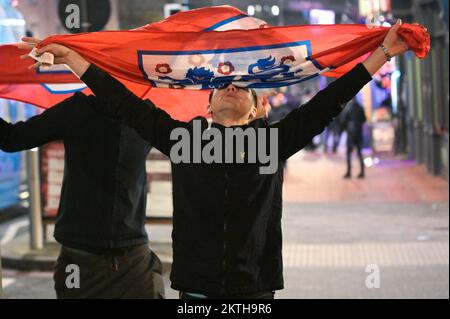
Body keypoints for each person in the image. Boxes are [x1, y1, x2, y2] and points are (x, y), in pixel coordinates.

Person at [20, 19, 409, 299]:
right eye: (222, 85)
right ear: (206, 105)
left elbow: (328, 102)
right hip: (196, 290)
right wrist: (73, 58)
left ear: (258, 111)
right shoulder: (185, 140)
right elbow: (123, 104)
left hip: (254, 290)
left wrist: (383, 53)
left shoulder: (272, 141)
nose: (231, 87)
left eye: (243, 87)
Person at [0, 94, 165, 299]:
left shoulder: (76, 109)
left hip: (80, 259)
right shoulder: (145, 113)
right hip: (131, 259)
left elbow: (11, 138)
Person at [342, 99, 367, 179]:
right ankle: (362, 172)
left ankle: (349, 172)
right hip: (358, 132)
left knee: (349, 153)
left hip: (351, 133)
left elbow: (344, 120)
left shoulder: (348, 108)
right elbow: (364, 119)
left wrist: (345, 128)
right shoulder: (360, 107)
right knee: (359, 153)